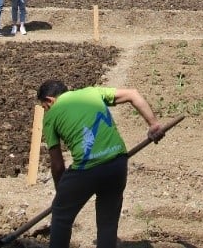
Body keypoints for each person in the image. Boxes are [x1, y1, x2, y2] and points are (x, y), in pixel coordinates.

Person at [38, 80, 164, 248]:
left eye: (45, 107)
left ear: (50, 100)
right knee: (107, 224)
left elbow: (57, 165)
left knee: (61, 216)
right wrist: (154, 124)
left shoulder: (51, 116)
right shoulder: (92, 93)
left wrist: (61, 195)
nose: (46, 110)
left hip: (86, 170)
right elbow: (133, 94)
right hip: (117, 163)